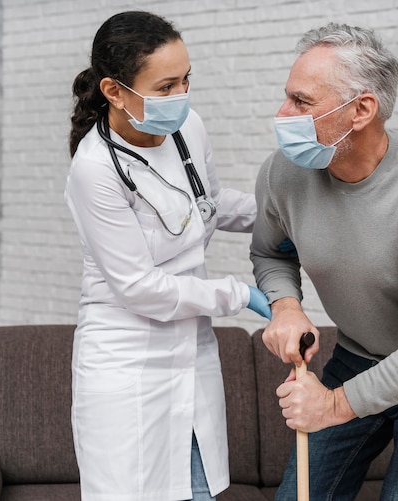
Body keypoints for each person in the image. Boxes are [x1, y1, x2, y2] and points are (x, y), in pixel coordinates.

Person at [250, 22, 398, 501]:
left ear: (361, 109)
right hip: (358, 354)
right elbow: (270, 252)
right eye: (287, 98)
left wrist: (333, 405)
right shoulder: (282, 172)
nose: (283, 114)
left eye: (302, 102)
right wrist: (285, 306)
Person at [65, 11, 271, 501]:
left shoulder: (188, 128)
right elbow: (140, 288)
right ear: (114, 91)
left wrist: (288, 219)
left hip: (190, 352)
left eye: (185, 81)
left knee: (198, 489)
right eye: (165, 87)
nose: (180, 97)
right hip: (126, 361)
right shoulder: (94, 170)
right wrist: (237, 293)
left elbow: (212, 204)